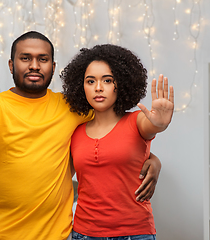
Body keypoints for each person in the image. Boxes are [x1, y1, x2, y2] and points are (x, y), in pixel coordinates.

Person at [0, 31, 162, 240]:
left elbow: (114, 130)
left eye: (42, 59)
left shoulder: (72, 107)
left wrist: (152, 159)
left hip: (57, 234)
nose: (34, 65)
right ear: (11, 65)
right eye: (25, 58)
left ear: (53, 67)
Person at [60, 44, 174, 239]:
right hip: (84, 233)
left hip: (135, 233)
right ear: (81, 87)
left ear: (120, 83)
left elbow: (151, 127)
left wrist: (160, 124)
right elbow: (59, 176)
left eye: (107, 80)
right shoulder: (75, 132)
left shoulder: (136, 121)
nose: (98, 87)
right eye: (90, 81)